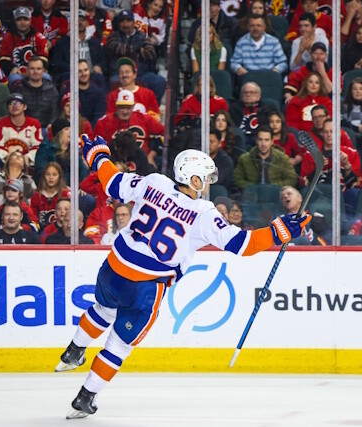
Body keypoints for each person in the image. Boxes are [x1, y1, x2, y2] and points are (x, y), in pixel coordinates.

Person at [55, 137, 311, 419]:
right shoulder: (203, 213)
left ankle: (73, 350)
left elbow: (112, 182)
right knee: (118, 343)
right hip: (145, 286)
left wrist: (98, 156)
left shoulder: (154, 182)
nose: (207, 183)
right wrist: (278, 231)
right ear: (192, 177)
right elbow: (242, 245)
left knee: (102, 309)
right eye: (204, 177)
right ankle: (85, 396)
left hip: (112, 268)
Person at [104, 10, 164, 102]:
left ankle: (151, 109)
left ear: (133, 22)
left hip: (141, 74)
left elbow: (151, 53)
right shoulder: (113, 36)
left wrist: (126, 51)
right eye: (122, 21)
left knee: (159, 81)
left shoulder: (142, 36)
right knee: (113, 82)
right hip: (120, 75)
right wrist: (139, 50)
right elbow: (115, 48)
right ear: (119, 24)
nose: (125, 24)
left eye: (128, 21)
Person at [94, 89, 164, 168]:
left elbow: (165, 135)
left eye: (128, 108)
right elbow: (96, 148)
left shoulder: (145, 119)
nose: (125, 111)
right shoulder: (104, 122)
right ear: (116, 106)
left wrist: (151, 156)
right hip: (114, 165)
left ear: (134, 106)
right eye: (122, 108)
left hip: (141, 164)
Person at [51, 10, 106, 88]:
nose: (80, 23)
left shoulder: (94, 41)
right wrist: (73, 68)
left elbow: (102, 59)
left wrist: (99, 66)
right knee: (66, 77)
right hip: (71, 74)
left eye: (82, 20)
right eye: (76, 20)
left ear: (87, 23)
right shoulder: (63, 42)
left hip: (90, 74)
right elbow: (57, 62)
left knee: (99, 78)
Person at [233, 125, 298, 191]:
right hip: (252, 197)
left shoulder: (282, 158)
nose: (263, 144)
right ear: (256, 141)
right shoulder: (245, 159)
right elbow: (237, 179)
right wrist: (253, 188)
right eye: (260, 140)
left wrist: (273, 188)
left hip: (276, 197)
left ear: (272, 141)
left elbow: (292, 179)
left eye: (266, 140)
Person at [301, 118, 360, 189]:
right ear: (321, 134)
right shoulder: (310, 155)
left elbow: (356, 186)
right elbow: (303, 184)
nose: (329, 135)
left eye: (332, 131)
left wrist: (347, 165)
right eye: (326, 132)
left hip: (343, 196)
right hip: (318, 195)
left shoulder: (351, 153)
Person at [0, 150, 36, 224]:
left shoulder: (29, 182)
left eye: (21, 157)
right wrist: (3, 218)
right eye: (14, 155)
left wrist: (15, 219)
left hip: (20, 222)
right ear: (8, 161)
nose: (18, 156)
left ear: (23, 166)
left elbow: (31, 205)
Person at [0, 93, 44, 169]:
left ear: (25, 107)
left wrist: (27, 157)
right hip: (6, 162)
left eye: (18, 103)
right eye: (11, 104)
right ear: (8, 108)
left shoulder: (34, 124)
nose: (14, 106)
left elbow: (38, 147)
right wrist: (9, 158)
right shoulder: (0, 123)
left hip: (27, 162)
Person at [0, 7, 49, 85]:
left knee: (46, 77)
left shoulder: (38, 37)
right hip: (17, 73)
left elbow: (44, 58)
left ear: (30, 20)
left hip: (35, 71)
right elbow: (3, 59)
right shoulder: (8, 37)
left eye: (25, 19)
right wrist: (12, 68)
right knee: (14, 78)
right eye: (19, 19)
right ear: (14, 21)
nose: (22, 22)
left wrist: (32, 71)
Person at [35, 119, 90, 184]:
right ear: (59, 133)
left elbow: (83, 171)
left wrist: (83, 186)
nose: (70, 131)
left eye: (71, 129)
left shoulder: (73, 151)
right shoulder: (46, 150)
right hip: (53, 188)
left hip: (73, 190)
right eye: (66, 129)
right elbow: (42, 172)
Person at [12, 56, 59, 128]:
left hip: (46, 128)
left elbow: (55, 112)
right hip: (25, 128)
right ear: (27, 70)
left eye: (38, 69)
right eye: (32, 68)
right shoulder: (19, 89)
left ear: (43, 70)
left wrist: (51, 125)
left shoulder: (51, 89)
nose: (35, 72)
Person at [228, 82, 274, 148]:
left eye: (251, 92)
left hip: (259, 137)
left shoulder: (267, 109)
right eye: (245, 92)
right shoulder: (234, 108)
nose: (248, 94)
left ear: (259, 95)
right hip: (240, 137)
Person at [30, 162, 71, 230]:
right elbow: (32, 215)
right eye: (48, 174)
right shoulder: (36, 195)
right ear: (44, 176)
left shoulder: (66, 193)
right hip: (41, 230)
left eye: (54, 175)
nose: (51, 177)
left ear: (59, 177)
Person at [76, 59, 108, 127]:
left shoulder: (99, 93)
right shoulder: (71, 94)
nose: (83, 74)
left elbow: (99, 117)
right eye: (80, 71)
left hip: (93, 132)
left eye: (86, 70)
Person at [208, 128, 234, 192]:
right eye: (206, 141)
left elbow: (217, 180)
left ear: (219, 143)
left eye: (211, 142)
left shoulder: (226, 161)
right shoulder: (200, 157)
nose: (208, 144)